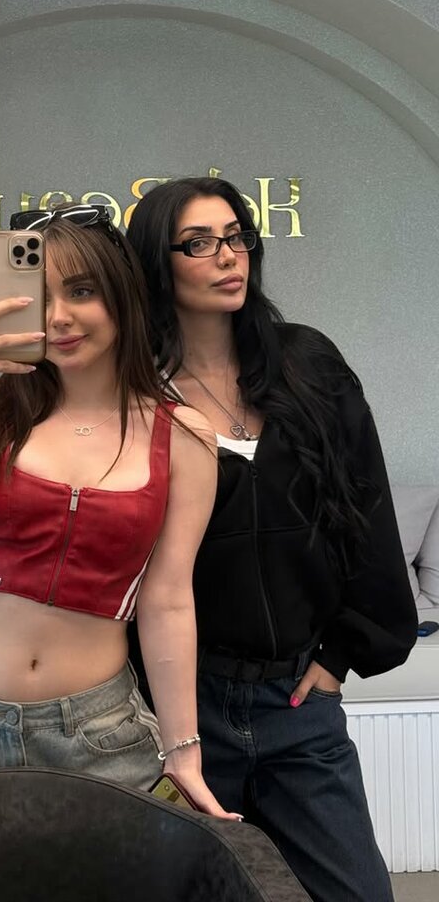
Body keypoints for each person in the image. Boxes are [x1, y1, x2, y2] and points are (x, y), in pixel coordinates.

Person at [126, 177, 418, 901]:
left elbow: (365, 510)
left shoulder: (308, 366)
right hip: (185, 705)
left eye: (236, 237)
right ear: (157, 263)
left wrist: (343, 653)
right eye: (199, 243)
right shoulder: (137, 394)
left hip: (296, 704)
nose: (228, 256)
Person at [0, 204, 235, 818]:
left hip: (97, 733)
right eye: (39, 296)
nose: (58, 317)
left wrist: (184, 753)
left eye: (81, 291)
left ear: (120, 296)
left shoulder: (183, 435)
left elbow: (167, 599)